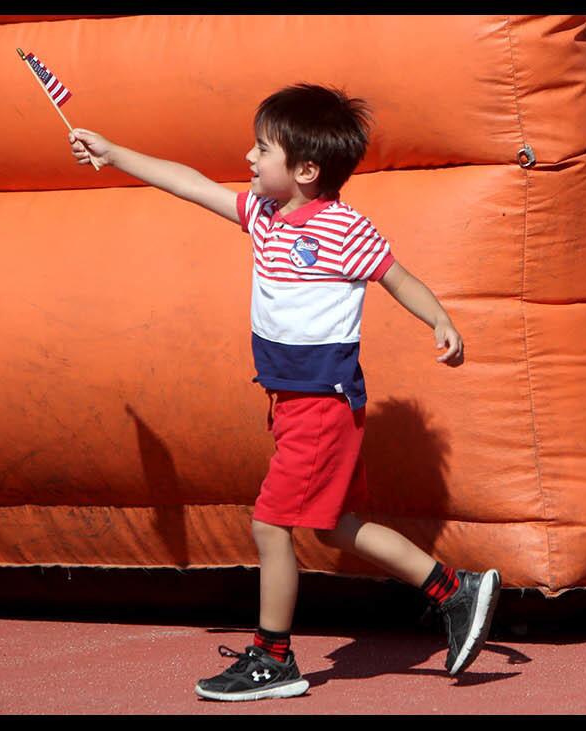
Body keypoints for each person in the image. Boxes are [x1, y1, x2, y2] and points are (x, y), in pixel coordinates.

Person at [68, 83, 501, 702]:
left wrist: (440, 320)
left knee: (272, 527)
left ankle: (273, 658)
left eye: (262, 147)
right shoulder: (263, 216)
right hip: (292, 400)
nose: (249, 156)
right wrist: (113, 152)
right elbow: (187, 182)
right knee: (337, 525)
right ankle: (455, 592)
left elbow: (397, 277)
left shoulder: (344, 228)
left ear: (304, 168)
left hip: (321, 403)